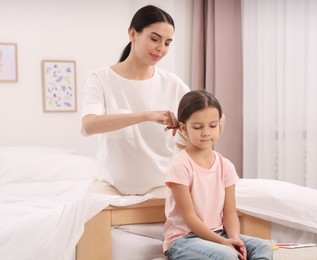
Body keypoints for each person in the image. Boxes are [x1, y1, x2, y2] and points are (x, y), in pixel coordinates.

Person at [81, 5, 190, 195]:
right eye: (155, 39)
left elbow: (206, 116)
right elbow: (88, 125)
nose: (161, 48)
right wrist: (145, 116)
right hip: (111, 185)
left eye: (167, 43)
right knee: (89, 213)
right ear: (133, 34)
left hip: (162, 184)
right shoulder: (101, 78)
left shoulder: (173, 83)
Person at [163, 90, 273, 260]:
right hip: (184, 239)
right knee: (226, 255)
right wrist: (222, 243)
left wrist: (235, 239)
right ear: (183, 128)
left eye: (212, 125)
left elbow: (230, 213)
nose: (206, 132)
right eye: (198, 127)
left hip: (219, 233)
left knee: (263, 247)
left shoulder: (226, 166)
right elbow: (190, 218)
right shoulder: (180, 166)